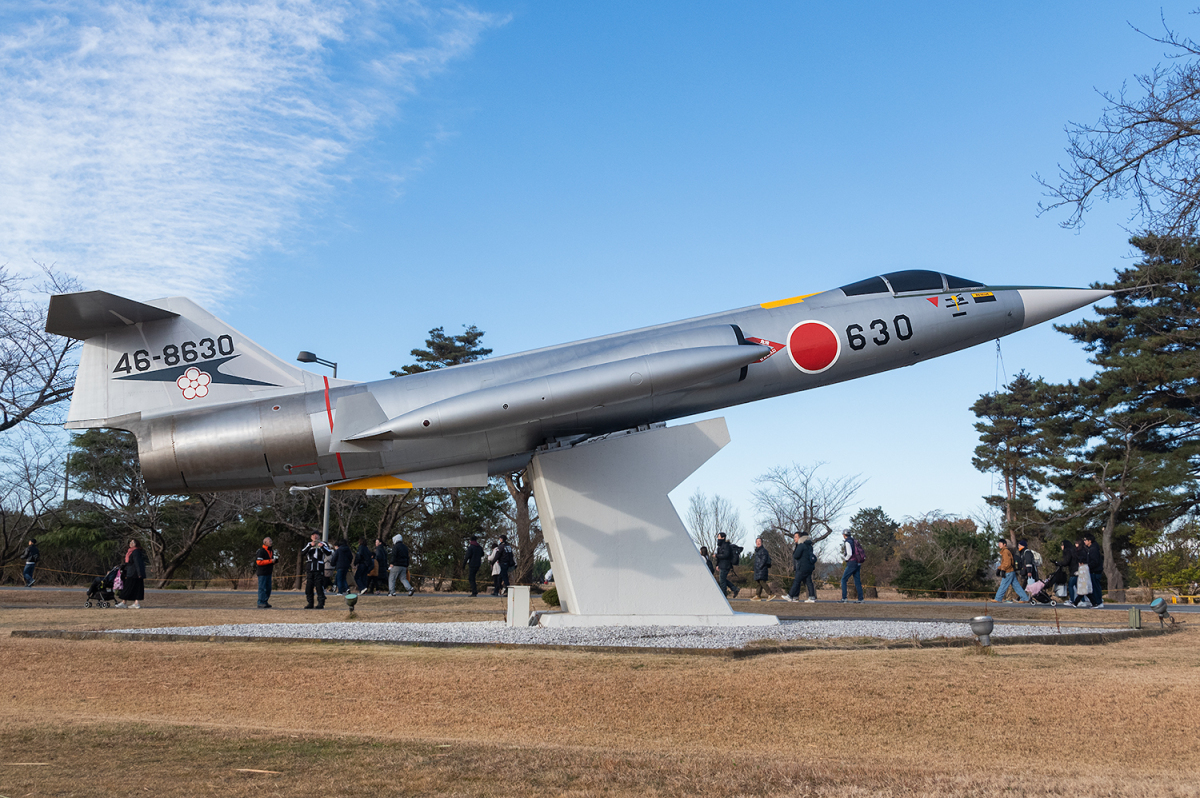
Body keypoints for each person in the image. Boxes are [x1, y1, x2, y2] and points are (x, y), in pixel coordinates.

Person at [301, 533, 332, 609]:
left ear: (319, 536)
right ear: (311, 537)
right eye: (313, 535)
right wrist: (310, 546)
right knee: (309, 586)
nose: (315, 536)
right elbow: (302, 553)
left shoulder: (323, 544)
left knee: (319, 586)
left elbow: (329, 552)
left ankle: (321, 603)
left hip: (319, 568)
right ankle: (310, 603)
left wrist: (322, 547)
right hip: (310, 568)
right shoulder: (308, 544)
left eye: (316, 535)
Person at [992, 539, 1030, 603]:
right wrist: (999, 568)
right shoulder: (1005, 551)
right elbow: (1004, 563)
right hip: (1011, 571)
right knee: (1017, 586)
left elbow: (1007, 563)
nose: (999, 545)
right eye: (999, 543)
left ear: (1004, 544)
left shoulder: (1005, 551)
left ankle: (998, 598)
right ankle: (1025, 598)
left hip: (1008, 571)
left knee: (1003, 585)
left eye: (1000, 543)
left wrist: (1003, 570)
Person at [115, 539, 147, 609]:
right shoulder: (131, 551)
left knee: (129, 587)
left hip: (134, 573)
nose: (131, 543)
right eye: (130, 542)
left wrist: (139, 573)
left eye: (133, 542)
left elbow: (137, 562)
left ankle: (125, 603)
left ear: (136, 544)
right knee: (135, 587)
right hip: (133, 572)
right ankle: (135, 603)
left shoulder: (136, 551)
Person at [787, 531, 817, 603]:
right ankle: (812, 597)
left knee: (797, 581)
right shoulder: (810, 546)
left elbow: (796, 555)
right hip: (809, 567)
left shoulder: (801, 545)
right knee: (809, 582)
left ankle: (790, 595)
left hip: (802, 567)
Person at [714, 532, 741, 598]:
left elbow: (726, 555)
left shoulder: (726, 546)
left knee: (722, 580)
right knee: (722, 579)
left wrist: (717, 556)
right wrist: (717, 565)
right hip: (722, 565)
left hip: (726, 565)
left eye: (719, 536)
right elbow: (720, 556)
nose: (718, 538)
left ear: (723, 537)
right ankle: (734, 589)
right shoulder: (720, 546)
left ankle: (724, 594)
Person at [840, 530, 864, 603]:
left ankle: (844, 598)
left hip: (852, 563)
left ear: (844, 535)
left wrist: (846, 559)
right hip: (858, 563)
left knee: (843, 580)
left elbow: (849, 553)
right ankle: (861, 599)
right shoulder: (854, 541)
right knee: (857, 581)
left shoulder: (847, 542)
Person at [255, 536, 279, 609]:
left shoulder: (271, 551)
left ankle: (265, 601)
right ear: (265, 542)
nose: (271, 542)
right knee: (262, 588)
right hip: (262, 573)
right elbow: (259, 562)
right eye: (269, 541)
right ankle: (260, 602)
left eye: (271, 541)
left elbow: (270, 561)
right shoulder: (261, 551)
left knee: (268, 588)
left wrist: (274, 562)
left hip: (269, 572)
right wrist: (270, 561)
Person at [1082, 533, 1105, 608]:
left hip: (1095, 571)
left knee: (1095, 587)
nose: (1084, 541)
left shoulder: (1093, 549)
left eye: (1085, 540)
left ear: (1090, 541)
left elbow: (1095, 562)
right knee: (1093, 587)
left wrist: (1087, 566)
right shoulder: (1090, 549)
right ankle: (1096, 602)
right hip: (1093, 571)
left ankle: (1098, 602)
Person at [1053, 539, 1078, 604]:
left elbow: (1066, 562)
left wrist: (1058, 563)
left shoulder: (1068, 551)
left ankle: (1072, 600)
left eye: (1062, 545)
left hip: (1074, 570)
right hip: (1076, 570)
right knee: (1077, 585)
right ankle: (1080, 600)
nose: (1061, 546)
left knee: (1070, 585)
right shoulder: (1073, 551)